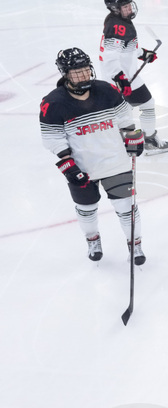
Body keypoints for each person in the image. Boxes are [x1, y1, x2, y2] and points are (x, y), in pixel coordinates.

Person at [39, 48, 147, 264]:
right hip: (83, 168)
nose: (83, 75)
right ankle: (92, 239)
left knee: (127, 208)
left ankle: (135, 244)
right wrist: (68, 166)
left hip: (115, 163)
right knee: (86, 210)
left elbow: (125, 117)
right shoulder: (53, 102)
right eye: (76, 72)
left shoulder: (106, 90)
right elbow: (53, 138)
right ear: (65, 74)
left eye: (85, 70)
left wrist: (133, 136)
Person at [101, 0, 168, 155]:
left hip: (126, 75)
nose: (129, 9)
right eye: (124, 7)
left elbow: (125, 48)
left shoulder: (119, 21)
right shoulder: (116, 26)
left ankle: (142, 139)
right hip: (122, 77)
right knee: (138, 107)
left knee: (136, 107)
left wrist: (143, 53)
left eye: (129, 5)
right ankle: (147, 142)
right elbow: (109, 56)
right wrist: (120, 78)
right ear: (115, 9)